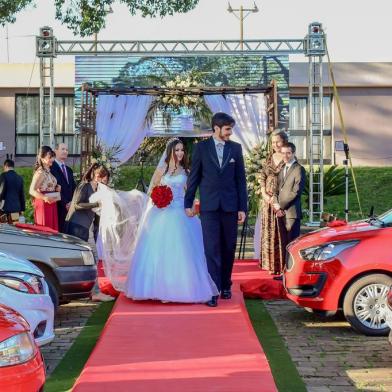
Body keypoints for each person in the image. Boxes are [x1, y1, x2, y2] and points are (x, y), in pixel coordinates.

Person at [124, 138, 218, 303]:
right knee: (158, 250)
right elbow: (152, 189)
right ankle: (157, 287)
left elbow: (190, 192)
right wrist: (159, 198)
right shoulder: (162, 169)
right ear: (170, 152)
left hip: (180, 211)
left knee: (182, 248)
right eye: (177, 150)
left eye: (182, 150)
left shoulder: (186, 171)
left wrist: (191, 206)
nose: (180, 153)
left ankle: (178, 288)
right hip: (161, 212)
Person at [184, 112, 248, 307]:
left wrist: (242, 208)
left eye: (231, 129)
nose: (230, 133)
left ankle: (226, 284)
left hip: (230, 207)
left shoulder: (235, 149)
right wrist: (188, 203)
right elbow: (194, 177)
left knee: (228, 248)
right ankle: (213, 290)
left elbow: (240, 181)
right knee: (211, 249)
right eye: (227, 129)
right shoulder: (201, 148)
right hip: (209, 207)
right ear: (217, 128)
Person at [259, 129, 288, 275]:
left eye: (278, 141)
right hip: (268, 201)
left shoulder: (288, 157)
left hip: (281, 201)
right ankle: (270, 265)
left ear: (284, 141)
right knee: (269, 232)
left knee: (281, 232)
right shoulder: (269, 158)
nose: (275, 144)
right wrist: (264, 193)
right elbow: (262, 177)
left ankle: (282, 266)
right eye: (273, 142)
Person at [65, 163, 109, 242]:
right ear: (93, 174)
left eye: (102, 177)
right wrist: (97, 204)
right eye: (99, 176)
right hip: (76, 225)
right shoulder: (84, 185)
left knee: (88, 252)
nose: (101, 179)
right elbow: (77, 204)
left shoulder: (97, 188)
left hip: (87, 226)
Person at [273, 142, 306, 246]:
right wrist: (277, 207)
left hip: (291, 213)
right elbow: (276, 190)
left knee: (291, 244)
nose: (285, 156)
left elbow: (296, 192)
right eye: (283, 153)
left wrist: (281, 206)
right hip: (280, 213)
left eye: (288, 153)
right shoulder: (282, 169)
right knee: (283, 244)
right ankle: (284, 263)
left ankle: (291, 263)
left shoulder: (299, 169)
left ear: (293, 153)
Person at [29, 146, 60, 231]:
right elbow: (31, 190)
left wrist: (57, 187)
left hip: (51, 203)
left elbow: (48, 185)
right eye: (49, 157)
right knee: (45, 231)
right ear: (42, 158)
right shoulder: (40, 172)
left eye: (52, 156)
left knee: (51, 230)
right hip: (44, 204)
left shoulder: (48, 171)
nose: (52, 159)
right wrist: (44, 197)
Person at [50, 143, 76, 233]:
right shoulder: (51, 167)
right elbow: (52, 188)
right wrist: (65, 203)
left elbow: (73, 188)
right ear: (55, 151)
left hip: (70, 209)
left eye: (67, 150)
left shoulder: (69, 170)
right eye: (63, 149)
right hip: (58, 208)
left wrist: (72, 202)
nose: (65, 151)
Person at [0, 158, 26, 224]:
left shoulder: (3, 176)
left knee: (4, 229)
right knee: (14, 228)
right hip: (16, 209)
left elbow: (1, 191)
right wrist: (22, 208)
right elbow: (22, 195)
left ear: (5, 166)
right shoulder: (19, 178)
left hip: (4, 209)